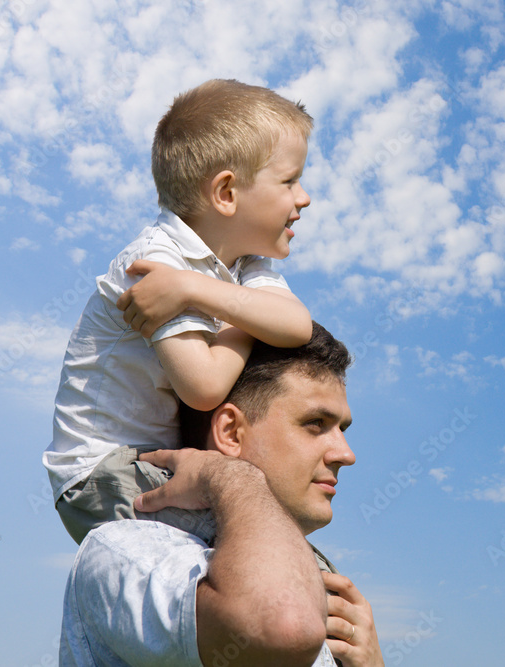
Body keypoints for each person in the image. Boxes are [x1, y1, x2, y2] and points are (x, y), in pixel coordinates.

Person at [44, 79, 316, 545]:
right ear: (226, 193)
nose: (304, 197)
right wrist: (248, 313)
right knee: (264, 544)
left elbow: (296, 326)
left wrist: (198, 289)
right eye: (290, 180)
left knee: (270, 540)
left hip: (156, 462)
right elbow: (205, 387)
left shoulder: (239, 264)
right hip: (104, 472)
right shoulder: (154, 263)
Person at [59, 324, 384, 666]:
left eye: (342, 429)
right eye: (315, 423)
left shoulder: (310, 584)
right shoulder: (122, 550)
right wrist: (227, 474)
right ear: (230, 432)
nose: (346, 454)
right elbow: (283, 624)